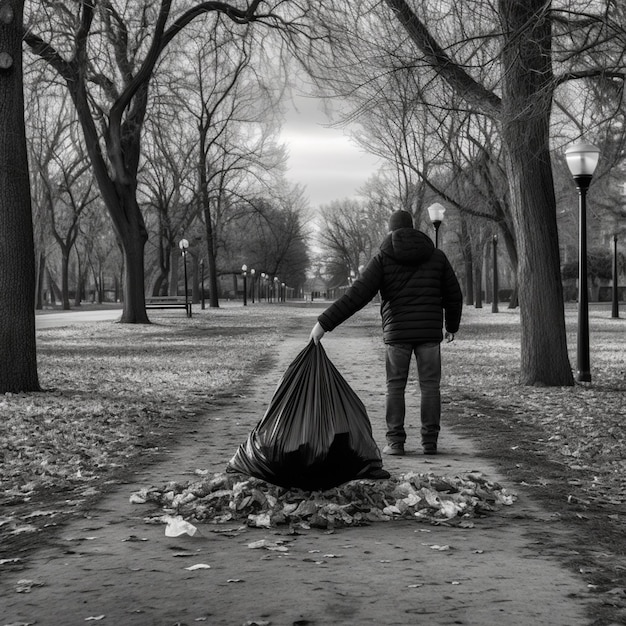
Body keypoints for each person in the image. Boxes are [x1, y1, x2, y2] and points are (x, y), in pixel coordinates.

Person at [310, 209, 462, 456]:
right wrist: (452, 326)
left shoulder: (383, 258)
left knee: (395, 386)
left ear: (391, 231)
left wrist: (324, 324)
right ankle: (430, 442)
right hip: (428, 334)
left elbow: (356, 295)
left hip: (397, 334)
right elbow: (454, 295)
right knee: (431, 387)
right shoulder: (437, 257)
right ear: (413, 228)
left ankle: (395, 443)